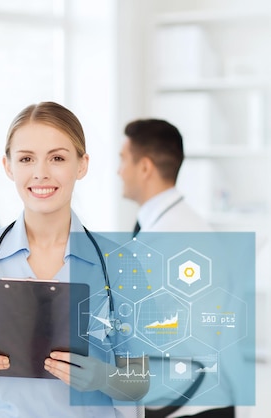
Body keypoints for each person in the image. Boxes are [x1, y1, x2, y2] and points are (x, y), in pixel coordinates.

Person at [0, 102, 149, 417]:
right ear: (9, 166)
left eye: (58, 158)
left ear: (81, 165)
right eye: (26, 159)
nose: (41, 173)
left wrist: (105, 377)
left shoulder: (118, 264)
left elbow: (139, 382)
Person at [118, 119, 234, 418]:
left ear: (144, 167)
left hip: (189, 405)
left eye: (123, 160)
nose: (119, 171)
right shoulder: (176, 225)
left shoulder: (172, 237)